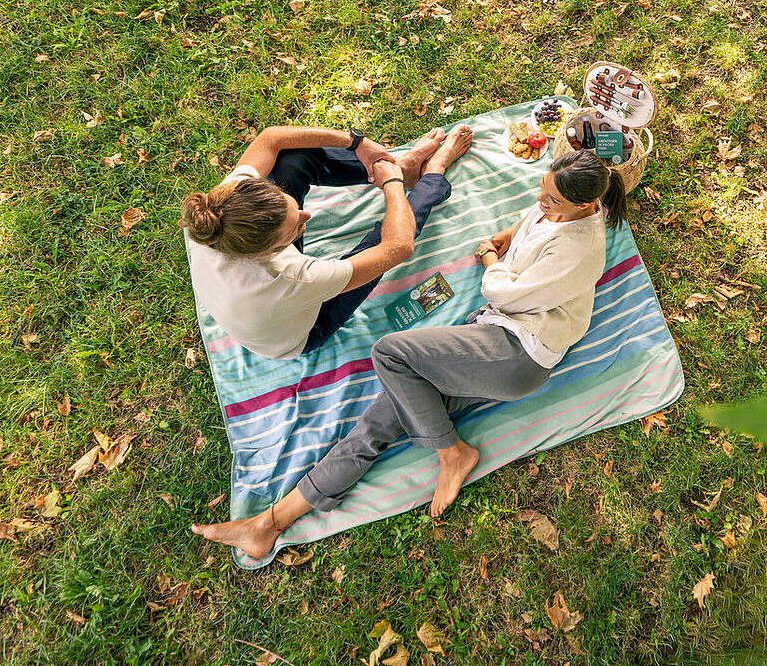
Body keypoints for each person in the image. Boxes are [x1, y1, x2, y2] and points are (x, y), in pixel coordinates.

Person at [192, 150, 629, 558]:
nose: (539, 198)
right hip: (494, 344)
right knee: (377, 424)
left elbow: (507, 294)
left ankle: (452, 453)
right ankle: (269, 524)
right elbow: (536, 219)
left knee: (391, 354)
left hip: (519, 352)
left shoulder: (579, 249)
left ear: (582, 205)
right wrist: (508, 236)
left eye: (550, 198)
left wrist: (492, 262)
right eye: (542, 189)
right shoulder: (559, 208)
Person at [182, 123, 475, 359]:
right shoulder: (295, 276)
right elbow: (398, 247)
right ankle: (432, 175)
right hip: (306, 331)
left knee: (290, 161)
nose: (306, 215)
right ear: (263, 253)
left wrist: (357, 142)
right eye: (296, 226)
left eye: (293, 208)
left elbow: (271, 138)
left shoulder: (223, 210)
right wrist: (392, 182)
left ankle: (405, 165)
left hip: (254, 302)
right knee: (381, 240)